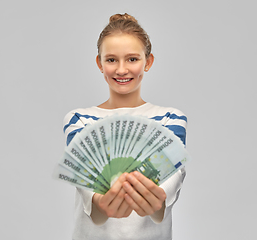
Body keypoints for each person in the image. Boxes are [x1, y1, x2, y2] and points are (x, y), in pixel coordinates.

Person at [62, 13, 187, 240]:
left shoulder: (171, 119)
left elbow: (166, 191)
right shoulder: (78, 119)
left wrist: (153, 199)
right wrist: (102, 202)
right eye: (111, 60)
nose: (121, 70)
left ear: (147, 62)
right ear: (100, 63)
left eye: (132, 59)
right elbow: (90, 197)